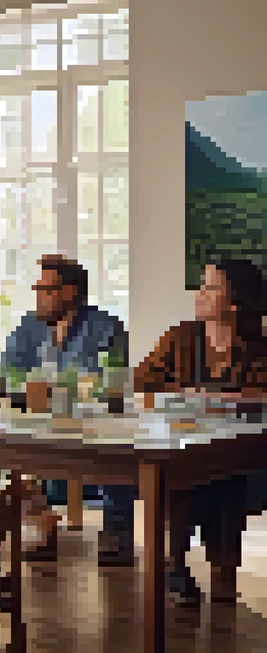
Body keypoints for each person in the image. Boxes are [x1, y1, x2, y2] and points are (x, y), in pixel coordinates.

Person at [134, 258, 267, 607]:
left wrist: (200, 395)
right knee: (182, 475)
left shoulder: (259, 344)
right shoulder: (180, 337)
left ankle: (217, 571)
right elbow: (142, 381)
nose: (200, 293)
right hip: (185, 442)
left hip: (244, 451)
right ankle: (176, 565)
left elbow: (261, 396)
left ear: (234, 300)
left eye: (210, 287)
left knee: (226, 480)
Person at [1, 254, 132, 564]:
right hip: (37, 418)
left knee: (115, 444)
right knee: (0, 450)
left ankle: (117, 529)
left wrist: (48, 383)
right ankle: (43, 522)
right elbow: (8, 373)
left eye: (46, 290)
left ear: (70, 292)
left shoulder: (105, 327)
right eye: (37, 289)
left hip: (93, 421)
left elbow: (106, 383)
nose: (39, 297)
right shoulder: (29, 326)